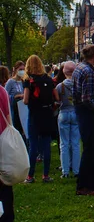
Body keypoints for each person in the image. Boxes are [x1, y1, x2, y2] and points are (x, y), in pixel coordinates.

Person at [72, 44, 94, 196]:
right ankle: (84, 185)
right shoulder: (88, 71)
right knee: (90, 148)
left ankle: (93, 181)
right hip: (86, 112)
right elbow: (87, 98)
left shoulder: (79, 67)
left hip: (80, 110)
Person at [23, 55, 58, 183]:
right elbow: (57, 97)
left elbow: (26, 100)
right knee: (46, 144)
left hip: (34, 115)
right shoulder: (48, 79)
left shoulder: (29, 80)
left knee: (33, 146)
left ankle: (30, 175)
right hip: (47, 113)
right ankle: (46, 175)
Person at [56, 61, 80, 178]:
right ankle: (76, 170)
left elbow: (57, 100)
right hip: (75, 113)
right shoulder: (78, 84)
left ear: (64, 71)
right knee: (75, 143)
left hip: (64, 113)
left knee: (64, 143)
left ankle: (65, 171)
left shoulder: (60, 86)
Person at [0, 83, 14, 222]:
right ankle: (7, 213)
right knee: (4, 177)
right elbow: (8, 115)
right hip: (3, 137)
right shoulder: (2, 91)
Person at [5, 61, 25, 127]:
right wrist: (15, 96)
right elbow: (5, 95)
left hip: (23, 108)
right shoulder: (10, 82)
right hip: (14, 108)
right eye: (20, 69)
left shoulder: (23, 81)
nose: (22, 71)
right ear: (16, 70)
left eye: (23, 69)